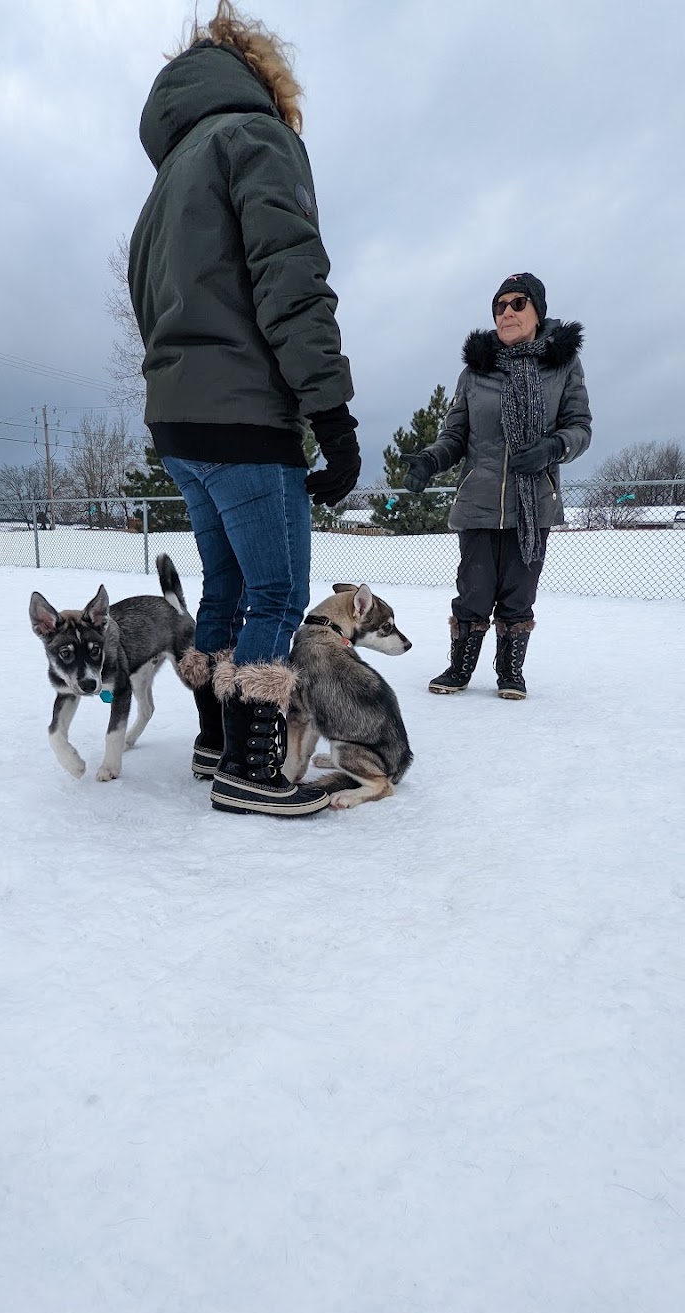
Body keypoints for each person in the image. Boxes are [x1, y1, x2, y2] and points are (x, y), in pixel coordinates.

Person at [128, 2, 360, 816]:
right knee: (276, 591)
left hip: (180, 425)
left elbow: (153, 312)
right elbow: (290, 282)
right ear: (263, 76)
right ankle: (253, 769)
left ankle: (214, 739)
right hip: (245, 418)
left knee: (224, 584)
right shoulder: (255, 140)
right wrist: (331, 414)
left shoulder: (162, 190)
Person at [405, 272, 592, 699]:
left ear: (537, 310)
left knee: (518, 593)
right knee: (473, 590)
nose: (506, 312)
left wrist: (553, 447)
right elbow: (454, 436)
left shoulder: (562, 366)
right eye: (499, 305)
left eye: (517, 303)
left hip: (535, 504)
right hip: (479, 500)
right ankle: (459, 668)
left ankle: (510, 671)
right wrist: (431, 459)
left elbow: (580, 427)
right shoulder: (475, 372)